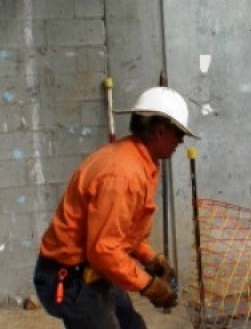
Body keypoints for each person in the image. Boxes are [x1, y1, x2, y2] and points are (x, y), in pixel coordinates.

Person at [33, 86, 199, 329]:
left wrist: (151, 259)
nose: (181, 142)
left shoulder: (140, 162)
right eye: (179, 134)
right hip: (71, 278)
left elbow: (123, 232)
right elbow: (103, 251)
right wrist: (148, 286)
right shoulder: (123, 175)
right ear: (160, 131)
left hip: (91, 270)